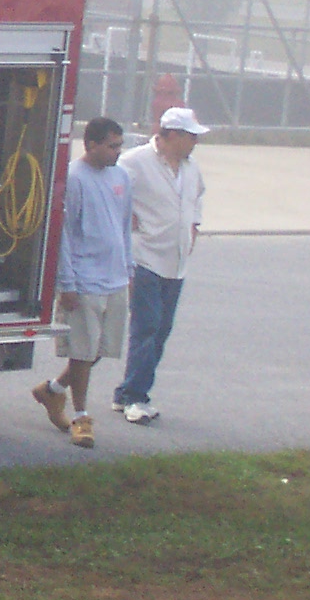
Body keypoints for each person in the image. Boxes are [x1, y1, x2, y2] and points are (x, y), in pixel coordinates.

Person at [34, 116, 131, 447]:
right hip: (85, 279)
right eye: (112, 146)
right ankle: (81, 416)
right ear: (91, 144)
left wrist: (128, 270)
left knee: (98, 349)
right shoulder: (74, 179)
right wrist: (67, 283)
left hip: (115, 278)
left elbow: (123, 227)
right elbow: (64, 234)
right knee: (82, 350)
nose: (118, 152)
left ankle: (53, 390)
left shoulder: (121, 177)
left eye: (119, 145)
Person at [113, 105, 208, 423]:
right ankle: (135, 396)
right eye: (191, 136)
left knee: (162, 329)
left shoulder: (191, 168)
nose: (195, 142)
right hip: (145, 259)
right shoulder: (135, 162)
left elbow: (197, 198)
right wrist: (127, 219)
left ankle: (127, 391)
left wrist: (193, 227)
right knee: (147, 326)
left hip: (176, 262)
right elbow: (112, 192)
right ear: (172, 135)